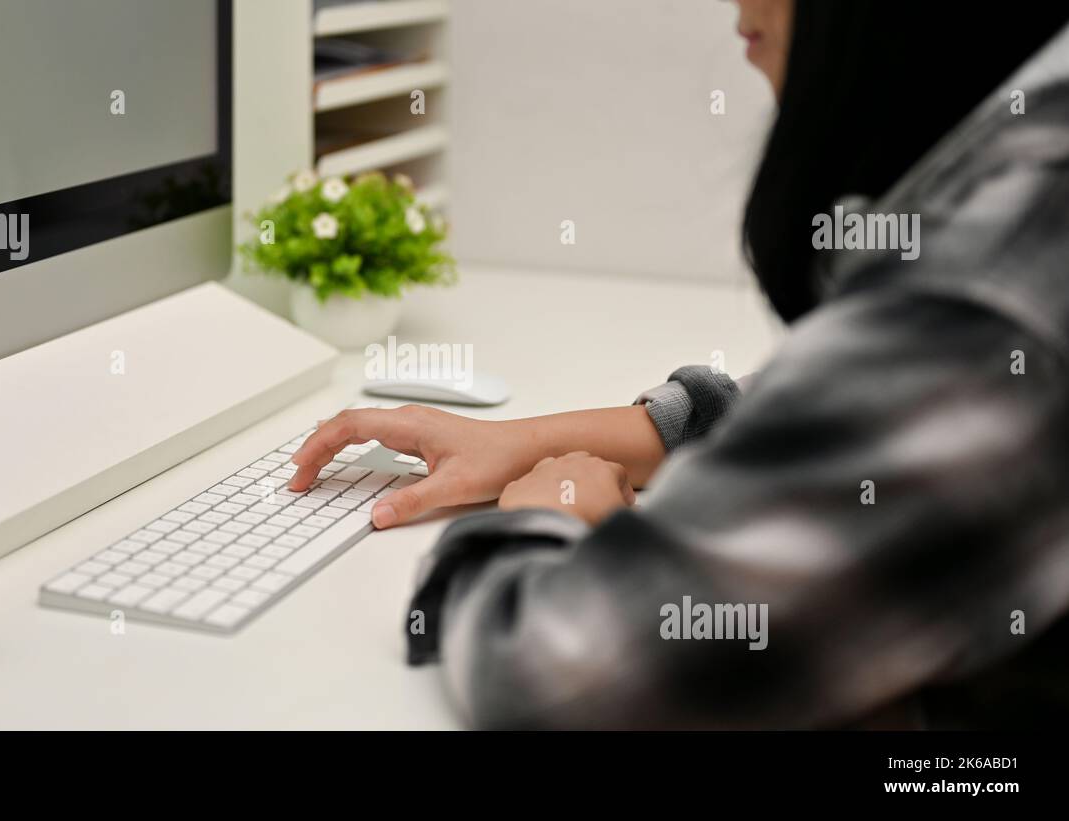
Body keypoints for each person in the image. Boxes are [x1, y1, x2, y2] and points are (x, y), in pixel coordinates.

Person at [289, 1, 1069, 729]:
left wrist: (539, 519)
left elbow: (561, 670)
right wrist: (525, 443)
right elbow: (835, 408)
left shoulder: (989, 292)